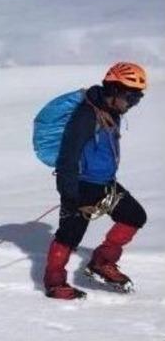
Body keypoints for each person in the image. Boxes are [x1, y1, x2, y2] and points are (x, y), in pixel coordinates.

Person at [44, 62, 148, 299]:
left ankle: (102, 262)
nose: (132, 104)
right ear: (114, 91)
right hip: (81, 186)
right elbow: (67, 157)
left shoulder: (110, 111)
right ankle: (54, 281)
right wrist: (69, 196)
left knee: (134, 216)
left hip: (105, 184)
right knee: (69, 236)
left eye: (137, 99)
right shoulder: (86, 116)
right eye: (131, 98)